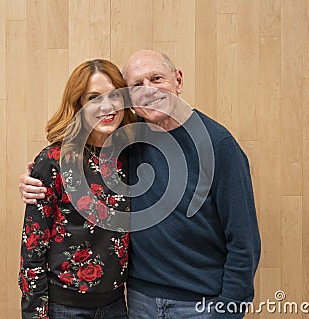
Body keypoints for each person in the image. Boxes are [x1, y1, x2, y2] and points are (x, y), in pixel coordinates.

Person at [19, 50, 261, 319]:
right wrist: (36, 180)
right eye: (136, 86)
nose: (148, 91)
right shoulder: (128, 146)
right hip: (137, 302)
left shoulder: (217, 145)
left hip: (200, 305)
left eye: (157, 79)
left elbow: (244, 243)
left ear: (178, 80)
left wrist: (229, 310)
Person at [18, 59, 136, 318]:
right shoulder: (54, 161)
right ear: (79, 104)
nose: (107, 107)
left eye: (114, 96)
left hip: (117, 305)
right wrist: (35, 313)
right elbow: (33, 248)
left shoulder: (131, 157)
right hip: (64, 307)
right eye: (94, 98)